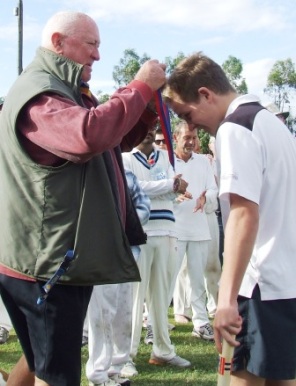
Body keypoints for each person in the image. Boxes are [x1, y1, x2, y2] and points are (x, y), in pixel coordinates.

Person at [0, 11, 167, 386]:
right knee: (56, 374)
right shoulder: (40, 95)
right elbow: (88, 136)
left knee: (41, 361)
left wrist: (144, 110)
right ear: (58, 42)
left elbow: (109, 142)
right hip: (47, 265)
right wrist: (138, 88)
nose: (97, 55)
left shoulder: (64, 91)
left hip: (56, 259)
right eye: (91, 44)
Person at [164, 51, 296, 386]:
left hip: (260, 284)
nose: (190, 126)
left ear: (206, 94)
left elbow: (243, 212)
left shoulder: (235, 129)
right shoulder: (272, 124)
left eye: (187, 114)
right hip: (286, 281)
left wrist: (225, 299)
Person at [121, 127, 191, 378]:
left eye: (151, 128)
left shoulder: (164, 157)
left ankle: (162, 349)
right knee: (134, 297)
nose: (148, 132)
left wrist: (172, 186)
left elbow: (175, 193)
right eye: (143, 127)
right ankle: (125, 356)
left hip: (167, 230)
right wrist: (170, 184)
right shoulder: (126, 157)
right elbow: (134, 189)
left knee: (162, 295)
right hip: (140, 233)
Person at [85, 169, 150, 386]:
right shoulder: (89, 174)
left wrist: (121, 223)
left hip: (127, 253)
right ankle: (98, 374)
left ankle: (116, 368)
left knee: (123, 313)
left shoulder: (127, 176)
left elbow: (144, 209)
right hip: (100, 256)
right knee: (102, 315)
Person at [172, 121, 218, 340]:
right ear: (176, 137)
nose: (190, 142)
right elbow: (160, 189)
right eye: (186, 137)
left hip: (199, 228)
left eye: (194, 137)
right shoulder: (167, 161)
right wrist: (173, 195)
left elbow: (213, 188)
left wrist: (205, 197)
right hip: (174, 230)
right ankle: (158, 324)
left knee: (198, 279)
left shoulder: (203, 162)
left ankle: (201, 323)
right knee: (169, 278)